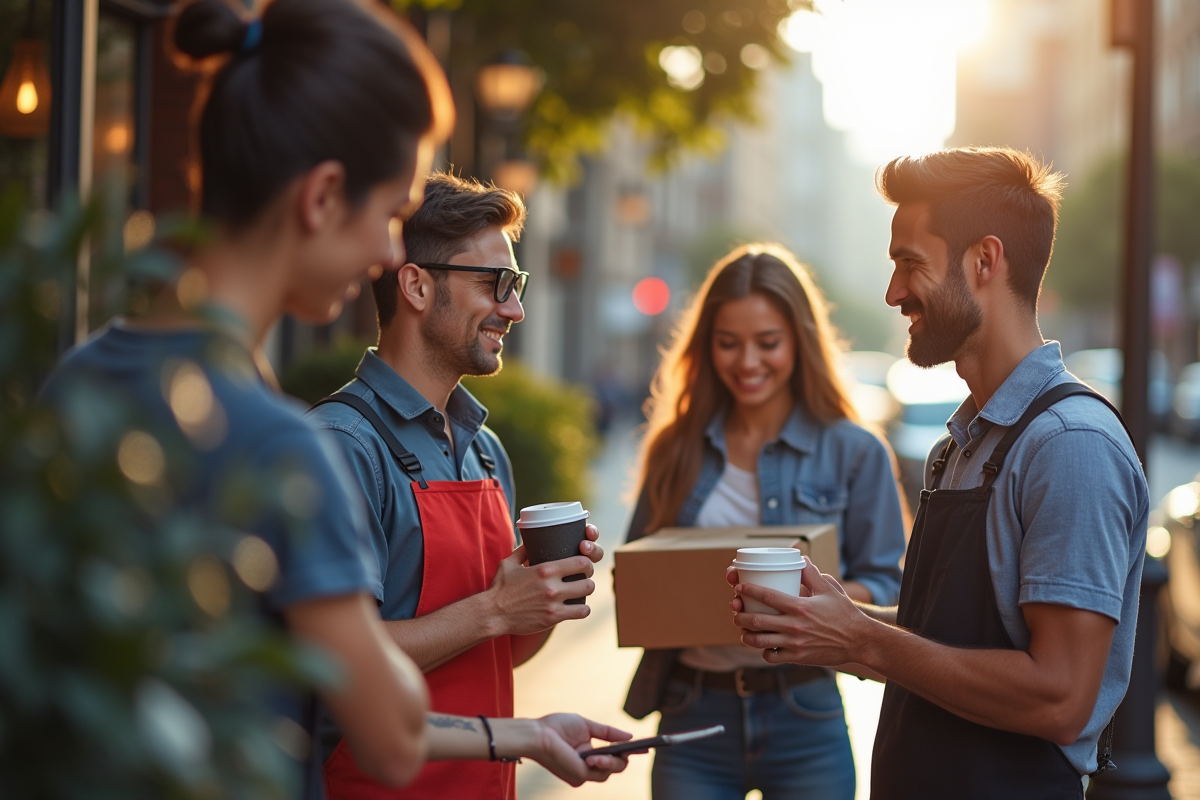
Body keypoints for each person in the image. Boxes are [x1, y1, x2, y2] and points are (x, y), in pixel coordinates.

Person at [39, 0, 631, 797]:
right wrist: (508, 671)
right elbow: (387, 734)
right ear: (321, 198)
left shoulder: (79, 378)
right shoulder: (288, 445)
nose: (388, 252)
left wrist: (519, 677)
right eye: (389, 212)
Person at [730, 148, 1149, 799]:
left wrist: (864, 640)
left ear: (984, 261)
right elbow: (946, 644)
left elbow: (1061, 698)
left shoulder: (1070, 447)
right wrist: (832, 624)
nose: (893, 292)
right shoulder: (960, 446)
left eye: (910, 263)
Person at [307, 172, 607, 799]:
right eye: (494, 283)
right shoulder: (342, 445)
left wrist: (545, 597)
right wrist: (495, 610)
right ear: (416, 285)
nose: (514, 309)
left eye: (516, 286)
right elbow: (336, 663)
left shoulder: (486, 451)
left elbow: (499, 655)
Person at [622, 244, 908, 800]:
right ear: (707, 346)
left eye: (768, 343)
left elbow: (888, 587)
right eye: (728, 343)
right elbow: (638, 577)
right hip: (693, 713)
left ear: (800, 341)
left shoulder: (856, 451)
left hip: (804, 713)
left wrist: (803, 607)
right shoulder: (675, 448)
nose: (747, 362)